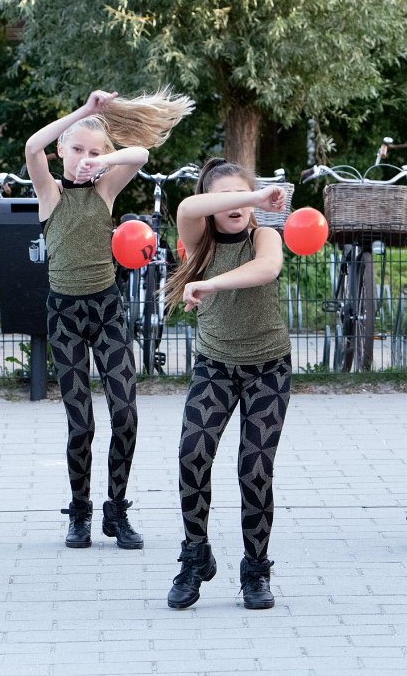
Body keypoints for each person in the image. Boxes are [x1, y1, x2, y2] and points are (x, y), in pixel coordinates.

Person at [24, 88, 192, 550]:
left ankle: (115, 510)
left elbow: (140, 153)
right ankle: (79, 511)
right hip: (65, 315)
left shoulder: (105, 190)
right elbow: (32, 148)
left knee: (126, 416)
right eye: (77, 150)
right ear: (63, 151)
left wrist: (104, 160)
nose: (84, 158)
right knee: (81, 425)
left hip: (107, 311)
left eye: (94, 152)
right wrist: (83, 112)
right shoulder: (50, 194)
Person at [162, 158, 290, 610]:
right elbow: (189, 204)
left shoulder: (264, 236)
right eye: (226, 197)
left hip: (267, 369)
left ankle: (255, 569)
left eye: (243, 194)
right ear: (216, 205)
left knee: (254, 470)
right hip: (214, 366)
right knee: (192, 453)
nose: (235, 204)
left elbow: (267, 270)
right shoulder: (198, 238)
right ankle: (196, 555)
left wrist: (211, 284)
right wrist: (254, 195)